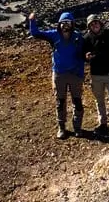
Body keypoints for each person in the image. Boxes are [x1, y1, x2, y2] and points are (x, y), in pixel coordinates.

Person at [27, 11, 85, 139]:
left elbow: (84, 54)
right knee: (60, 101)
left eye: (68, 23)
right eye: (63, 23)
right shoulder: (54, 35)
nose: (65, 25)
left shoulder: (78, 37)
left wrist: (81, 73)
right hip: (59, 74)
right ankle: (62, 127)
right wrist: (32, 20)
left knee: (77, 101)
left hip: (75, 74)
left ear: (72, 24)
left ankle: (77, 127)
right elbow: (36, 33)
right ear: (59, 24)